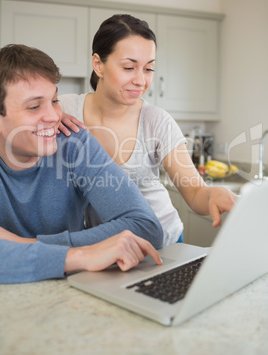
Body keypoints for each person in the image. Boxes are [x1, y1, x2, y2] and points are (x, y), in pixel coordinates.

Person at [59, 14, 237, 246]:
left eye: (148, 69)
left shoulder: (157, 121)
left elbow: (194, 192)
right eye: (129, 67)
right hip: (105, 245)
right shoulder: (64, 108)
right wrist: (48, 115)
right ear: (98, 64)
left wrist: (212, 194)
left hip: (161, 241)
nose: (141, 80)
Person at [0, 44, 163, 284]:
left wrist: (25, 247)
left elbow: (145, 227)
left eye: (54, 101)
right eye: (34, 106)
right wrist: (77, 255)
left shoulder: (74, 144)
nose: (54, 116)